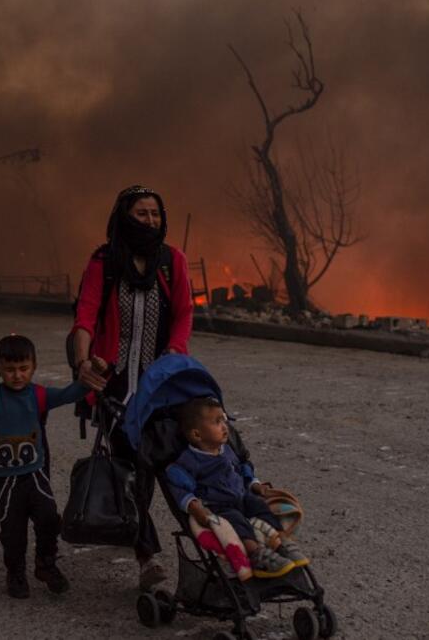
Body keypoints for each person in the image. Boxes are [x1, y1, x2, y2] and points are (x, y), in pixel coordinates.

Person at [70, 184, 194, 589]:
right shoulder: (104, 262)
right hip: (115, 386)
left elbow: (183, 315)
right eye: (141, 213)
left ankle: (204, 545)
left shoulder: (172, 261)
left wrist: (174, 354)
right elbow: (85, 316)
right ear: (124, 216)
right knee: (131, 474)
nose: (150, 221)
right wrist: (83, 362)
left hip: (160, 386)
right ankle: (146, 557)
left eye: (155, 213)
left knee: (172, 466)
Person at [0, 334, 95, 599]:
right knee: (13, 531)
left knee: (48, 519)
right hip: (3, 481)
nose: (17, 375)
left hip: (34, 475)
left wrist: (92, 376)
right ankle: (16, 573)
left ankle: (46, 565)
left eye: (23, 368)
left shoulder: (39, 395)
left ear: (33, 367)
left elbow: (71, 393)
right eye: (10, 370)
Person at [166, 396, 309, 577]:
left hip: (241, 497)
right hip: (218, 507)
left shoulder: (227, 451)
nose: (225, 426)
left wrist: (255, 485)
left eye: (224, 419)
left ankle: (281, 541)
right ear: (197, 434)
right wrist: (194, 506)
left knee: (260, 506)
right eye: (217, 422)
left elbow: (242, 470)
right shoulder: (189, 461)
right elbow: (180, 488)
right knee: (235, 521)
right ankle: (255, 553)